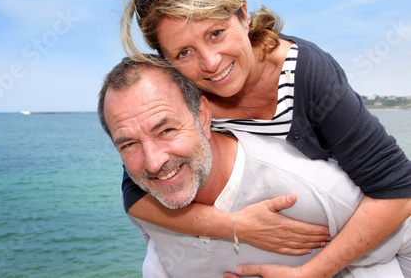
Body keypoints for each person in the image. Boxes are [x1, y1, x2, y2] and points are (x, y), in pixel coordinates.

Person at [118, 0, 411, 278]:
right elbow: (135, 192)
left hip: (360, 233)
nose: (211, 62)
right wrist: (235, 226)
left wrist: (312, 273)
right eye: (183, 53)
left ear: (243, 15)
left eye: (216, 33)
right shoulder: (182, 93)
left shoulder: (306, 73)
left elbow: (397, 188)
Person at [97, 58, 411, 278]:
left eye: (166, 130)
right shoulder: (149, 203)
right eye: (128, 144)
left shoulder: (307, 190)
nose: (153, 162)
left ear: (203, 117)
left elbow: (404, 229)